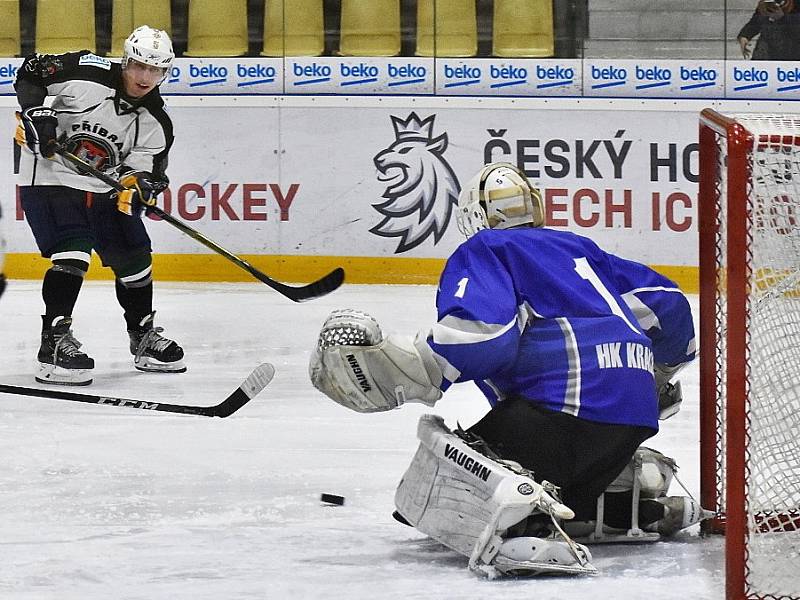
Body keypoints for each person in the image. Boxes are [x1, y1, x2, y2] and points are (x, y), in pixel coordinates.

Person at [309, 162, 709, 577]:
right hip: (633, 419)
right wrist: (657, 373)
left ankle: (525, 523)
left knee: (442, 470)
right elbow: (669, 303)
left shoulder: (487, 249)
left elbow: (482, 339)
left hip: (565, 413)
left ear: (475, 218)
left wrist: (399, 368)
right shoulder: (580, 249)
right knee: (552, 447)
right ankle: (624, 500)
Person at [14, 25, 185, 386]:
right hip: (49, 174)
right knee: (73, 252)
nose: (145, 77)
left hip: (100, 187)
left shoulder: (157, 121)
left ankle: (142, 336)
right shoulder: (84, 71)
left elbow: (147, 171)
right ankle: (54, 344)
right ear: (125, 61)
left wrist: (139, 186)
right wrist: (36, 113)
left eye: (155, 70)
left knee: (136, 256)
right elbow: (32, 71)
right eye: (139, 66)